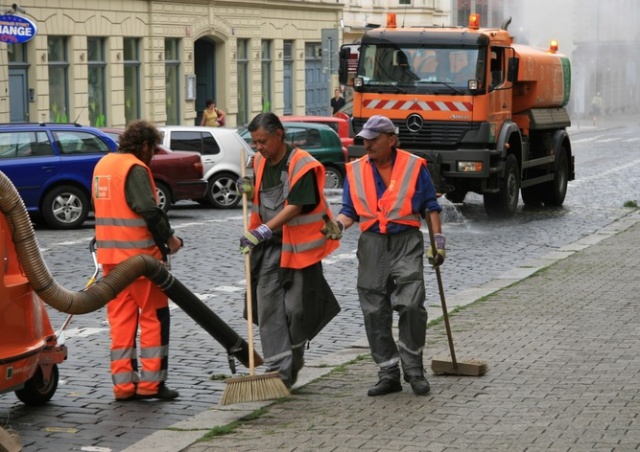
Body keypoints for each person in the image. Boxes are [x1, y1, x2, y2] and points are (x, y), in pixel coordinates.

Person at [325, 115, 445, 397]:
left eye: (374, 139)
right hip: (372, 245)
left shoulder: (414, 166)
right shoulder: (355, 171)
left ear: (391, 139)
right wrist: (338, 225)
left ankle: (414, 370)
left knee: (412, 305)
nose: (367, 144)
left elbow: (430, 206)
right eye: (365, 139)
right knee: (374, 310)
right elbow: (349, 211)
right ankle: (388, 372)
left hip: (406, 241)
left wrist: (438, 242)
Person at [236, 112, 340, 389]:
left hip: (299, 250)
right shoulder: (257, 162)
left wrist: (264, 229)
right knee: (268, 308)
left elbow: (296, 206)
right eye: (255, 142)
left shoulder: (302, 165)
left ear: (278, 135)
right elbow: (254, 196)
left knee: (296, 311)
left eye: (263, 141)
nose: (259, 147)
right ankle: (278, 371)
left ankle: (293, 358)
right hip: (268, 249)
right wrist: (244, 188)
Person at [92, 120, 183, 402]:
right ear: (143, 145)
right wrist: (170, 240)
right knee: (154, 318)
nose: (153, 155)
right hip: (141, 261)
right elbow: (147, 209)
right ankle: (151, 385)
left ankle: (123, 387)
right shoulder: (134, 167)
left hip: (110, 260)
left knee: (121, 321)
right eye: (153, 150)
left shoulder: (103, 165)